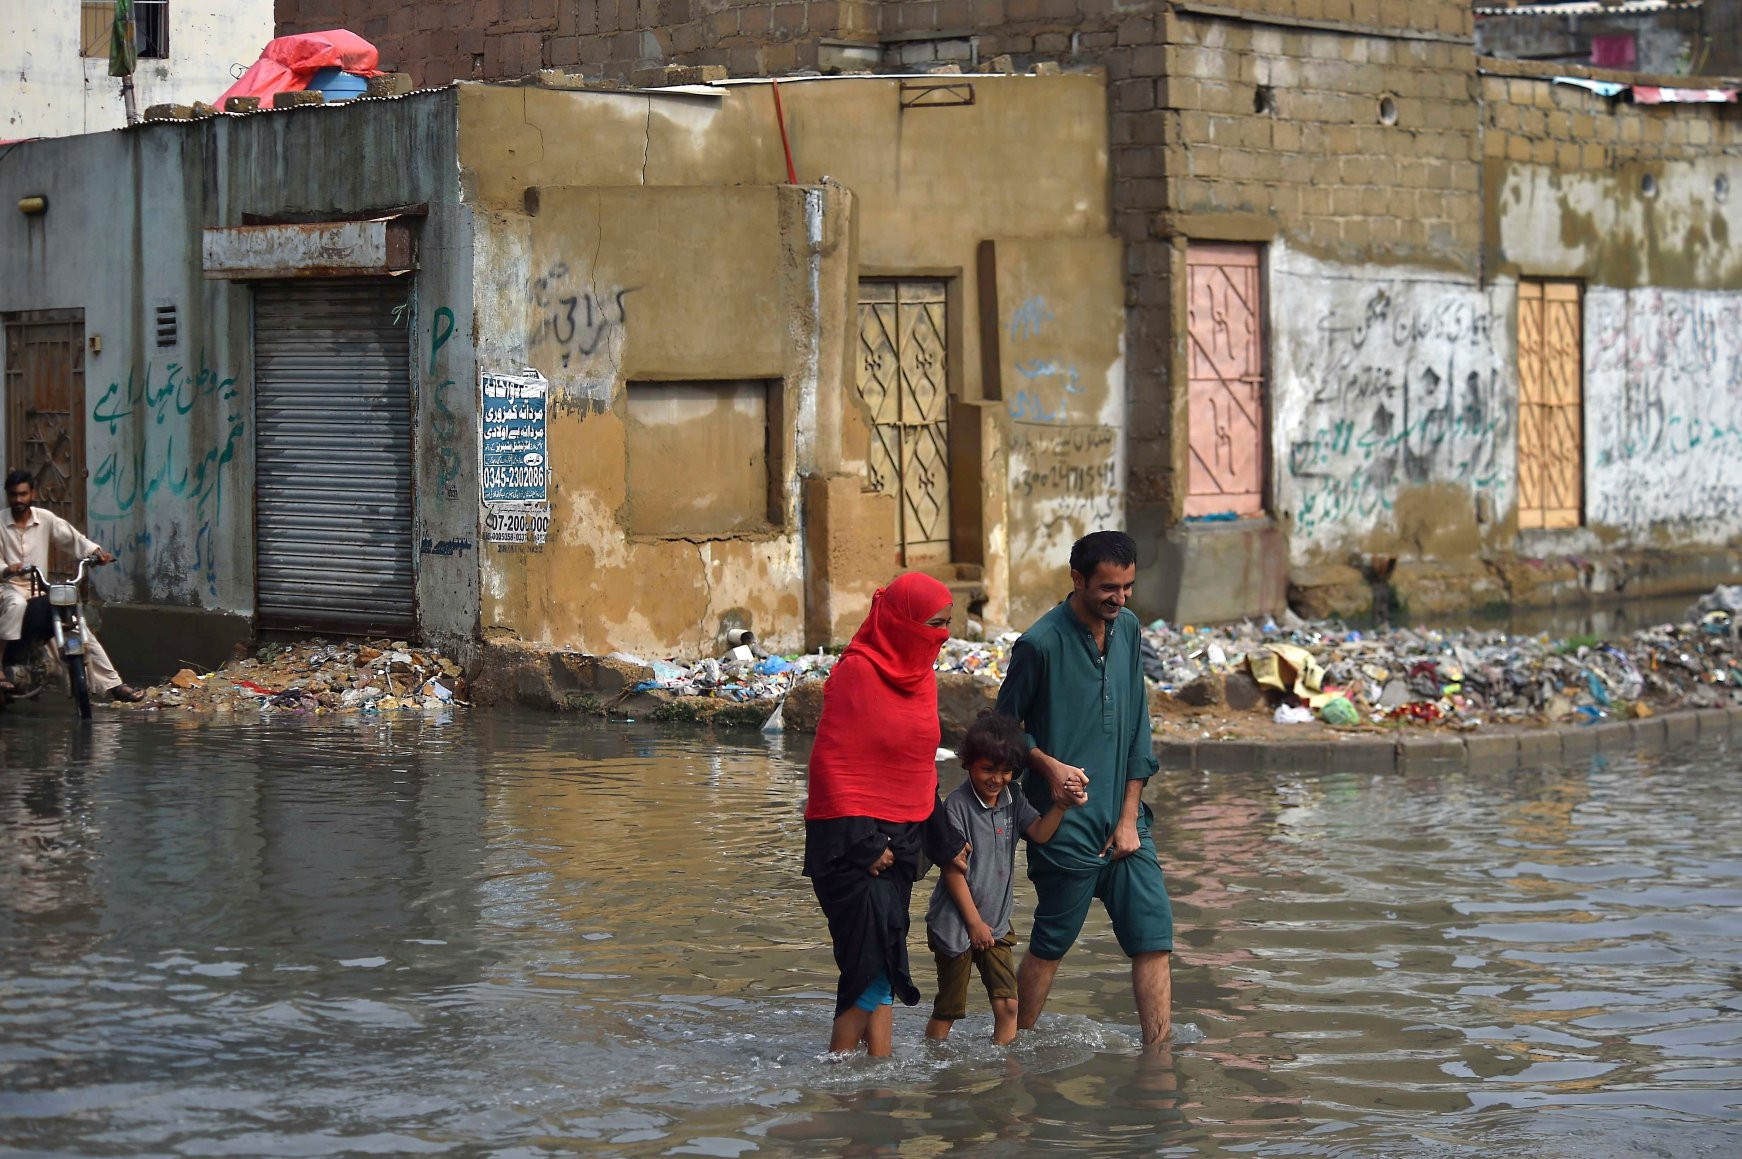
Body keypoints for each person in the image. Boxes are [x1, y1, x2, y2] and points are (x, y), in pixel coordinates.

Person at [993, 529, 1174, 1045]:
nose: (1119, 599)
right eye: (1108, 588)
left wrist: (1128, 818)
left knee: (1154, 940)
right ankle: (1010, 1051)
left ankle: (1157, 1061)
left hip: (1127, 826)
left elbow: (1139, 727)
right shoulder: (1039, 644)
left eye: (1128, 587)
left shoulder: (1130, 628)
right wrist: (1046, 765)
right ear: (1078, 580)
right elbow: (1002, 728)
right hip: (1063, 826)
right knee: (1050, 945)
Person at [802, 571, 969, 1056]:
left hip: (904, 842)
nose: (942, 635)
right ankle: (834, 1072)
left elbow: (918, 770)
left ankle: (878, 1080)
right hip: (851, 847)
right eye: (933, 624)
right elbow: (832, 766)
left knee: (883, 960)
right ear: (903, 622)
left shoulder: (922, 679)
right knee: (872, 966)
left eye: (948, 624)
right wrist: (867, 845)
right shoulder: (855, 672)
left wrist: (947, 841)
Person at [923, 711, 1073, 1045]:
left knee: (1008, 1007)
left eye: (1006, 771)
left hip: (997, 923)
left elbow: (1038, 832)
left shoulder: (1013, 797)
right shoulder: (957, 807)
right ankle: (935, 1068)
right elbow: (952, 871)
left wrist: (1060, 807)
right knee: (948, 1010)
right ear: (968, 764)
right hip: (955, 924)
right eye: (987, 769)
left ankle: (1004, 1073)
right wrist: (973, 924)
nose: (997, 778)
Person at [1, 469, 145, 702]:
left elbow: (71, 538)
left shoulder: (45, 518)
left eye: (23, 494)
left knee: (78, 627)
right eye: (14, 495)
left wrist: (95, 552)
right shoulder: (0, 523)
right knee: (15, 603)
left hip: (39, 590)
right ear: (8, 495)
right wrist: (7, 569)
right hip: (8, 587)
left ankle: (114, 685)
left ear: (32, 494)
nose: (19, 500)